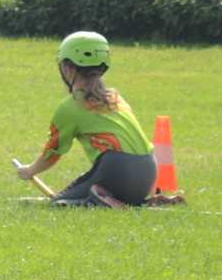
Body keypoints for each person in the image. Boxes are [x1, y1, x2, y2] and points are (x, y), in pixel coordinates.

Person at [16, 31, 157, 208]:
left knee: (59, 204)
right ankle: (129, 200)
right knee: (65, 196)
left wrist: (29, 171)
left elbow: (53, 152)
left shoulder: (71, 106)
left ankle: (102, 203)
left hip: (118, 171)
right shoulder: (115, 98)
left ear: (67, 68)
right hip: (149, 172)